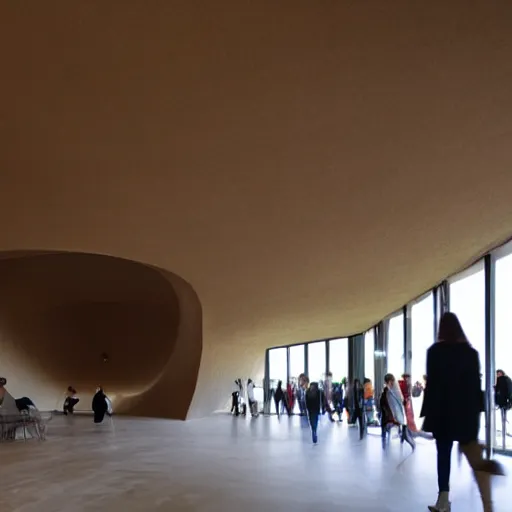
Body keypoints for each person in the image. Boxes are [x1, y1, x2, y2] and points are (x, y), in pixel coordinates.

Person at [421, 312, 504, 512]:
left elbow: (432, 387)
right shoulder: (470, 353)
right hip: (465, 416)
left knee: (443, 457)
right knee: (476, 463)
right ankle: (488, 506)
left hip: (442, 416)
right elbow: (475, 390)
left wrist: (429, 417)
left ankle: (443, 501)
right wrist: (475, 421)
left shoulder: (434, 352)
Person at [380, 373, 415, 450]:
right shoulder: (387, 391)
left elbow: (400, 402)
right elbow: (383, 404)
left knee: (403, 427)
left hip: (394, 415)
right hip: (388, 416)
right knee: (388, 428)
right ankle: (385, 445)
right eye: (389, 381)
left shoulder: (393, 391)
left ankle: (406, 438)